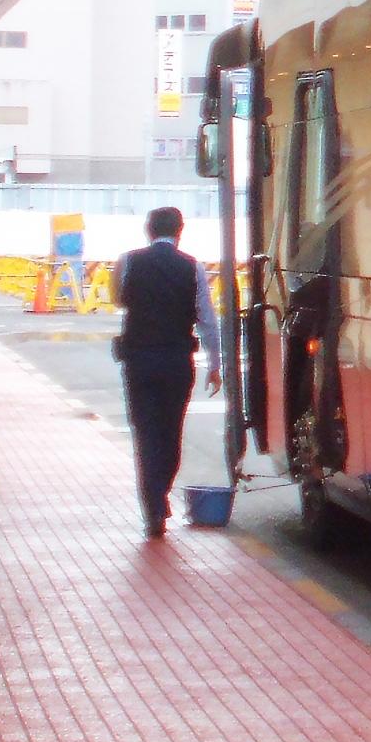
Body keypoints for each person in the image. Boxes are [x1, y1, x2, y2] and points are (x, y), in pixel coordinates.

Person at [113, 206, 221, 538]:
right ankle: (160, 493)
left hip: (139, 361)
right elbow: (207, 319)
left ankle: (154, 507)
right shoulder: (193, 268)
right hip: (177, 361)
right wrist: (215, 364)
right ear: (179, 231)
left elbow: (118, 299)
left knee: (146, 433)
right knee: (171, 431)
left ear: (148, 230)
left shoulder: (128, 262)